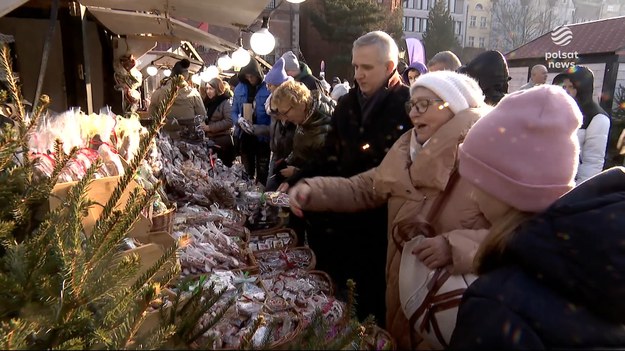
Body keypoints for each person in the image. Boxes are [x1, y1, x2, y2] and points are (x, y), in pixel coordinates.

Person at [290, 71, 491, 349]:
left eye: (424, 104)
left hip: (449, 306)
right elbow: (364, 188)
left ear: (455, 108)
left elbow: (515, 235)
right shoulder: (408, 150)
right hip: (404, 290)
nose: (413, 114)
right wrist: (313, 190)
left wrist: (454, 246)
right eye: (413, 105)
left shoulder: (486, 160)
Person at [449, 88, 625, 350]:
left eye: (477, 182)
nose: (473, 196)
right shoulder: (598, 262)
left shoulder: (499, 303)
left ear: (506, 190)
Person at [290, 30, 413, 329]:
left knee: (370, 309)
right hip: (339, 222)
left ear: (389, 67)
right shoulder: (347, 104)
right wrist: (300, 180)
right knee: (336, 304)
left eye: (366, 67)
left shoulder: (407, 105)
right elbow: (329, 152)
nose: (358, 74)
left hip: (377, 227)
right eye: (356, 66)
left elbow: (390, 172)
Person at [270, 80, 334, 191]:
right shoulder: (303, 118)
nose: (284, 119)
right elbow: (299, 147)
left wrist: (297, 172)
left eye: (285, 113)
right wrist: (286, 161)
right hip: (301, 182)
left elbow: (328, 170)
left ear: (301, 104)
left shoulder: (328, 125)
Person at [557, 65, 610, 183]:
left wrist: (579, 192)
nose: (566, 91)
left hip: (573, 186)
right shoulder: (560, 110)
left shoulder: (597, 118)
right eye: (564, 86)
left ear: (583, 88)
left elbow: (592, 162)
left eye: (571, 87)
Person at [231, 58, 271, 186]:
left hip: (263, 137)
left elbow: (274, 115)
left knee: (263, 171)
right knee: (246, 172)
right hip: (245, 136)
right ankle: (248, 197)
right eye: (247, 76)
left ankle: (261, 196)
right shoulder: (239, 89)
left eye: (252, 76)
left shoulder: (268, 87)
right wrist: (239, 120)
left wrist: (266, 129)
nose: (250, 79)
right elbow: (233, 112)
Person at [148, 58, 206, 140]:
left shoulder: (159, 92)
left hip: (165, 139)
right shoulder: (194, 94)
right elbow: (202, 115)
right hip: (189, 139)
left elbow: (151, 115)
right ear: (185, 76)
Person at [264, 58, 297, 191]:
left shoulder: (289, 102)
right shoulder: (272, 104)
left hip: (288, 155)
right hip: (277, 153)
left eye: (270, 85)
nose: (267, 88)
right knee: (271, 190)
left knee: (277, 191)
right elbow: (274, 130)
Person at [201, 77, 234, 167]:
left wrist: (209, 127)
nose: (208, 91)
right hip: (211, 141)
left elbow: (229, 121)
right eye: (207, 88)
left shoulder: (225, 102)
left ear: (217, 89)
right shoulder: (207, 102)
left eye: (211, 89)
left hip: (222, 142)